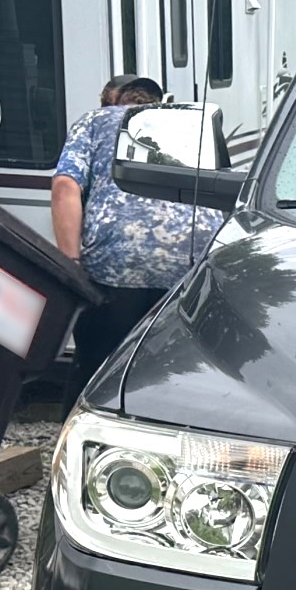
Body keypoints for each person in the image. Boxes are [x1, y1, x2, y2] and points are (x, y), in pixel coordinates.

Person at [52, 78, 223, 401]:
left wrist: (71, 263)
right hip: (191, 264)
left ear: (109, 102)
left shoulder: (95, 121)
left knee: (98, 368)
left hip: (116, 264)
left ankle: (81, 436)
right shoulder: (190, 125)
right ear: (161, 102)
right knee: (173, 373)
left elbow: (65, 186)